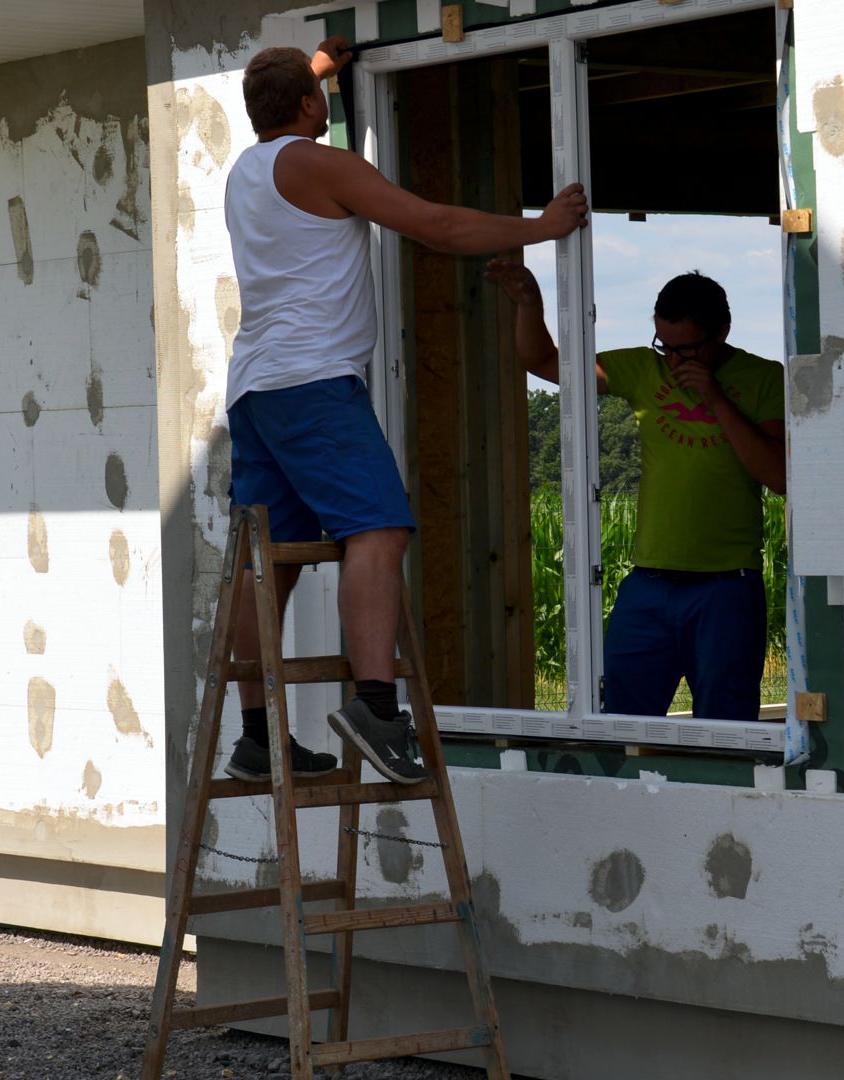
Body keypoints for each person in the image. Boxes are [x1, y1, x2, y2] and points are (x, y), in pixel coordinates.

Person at [221, 37, 588, 783]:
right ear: (308, 106)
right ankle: (376, 708)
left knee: (268, 565)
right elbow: (436, 225)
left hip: (256, 390)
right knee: (379, 530)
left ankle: (257, 736)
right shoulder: (321, 164)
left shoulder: (245, 171)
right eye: (315, 94)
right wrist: (541, 227)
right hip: (315, 385)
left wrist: (315, 69)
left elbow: (287, 97)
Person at [485, 260, 785, 722]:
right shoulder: (645, 368)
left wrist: (715, 397)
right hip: (648, 586)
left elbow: (779, 476)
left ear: (722, 331)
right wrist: (529, 304)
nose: (675, 361)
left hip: (727, 588)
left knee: (727, 728)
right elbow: (544, 363)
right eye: (665, 346)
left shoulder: (765, 378)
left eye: (687, 349)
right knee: (623, 723)